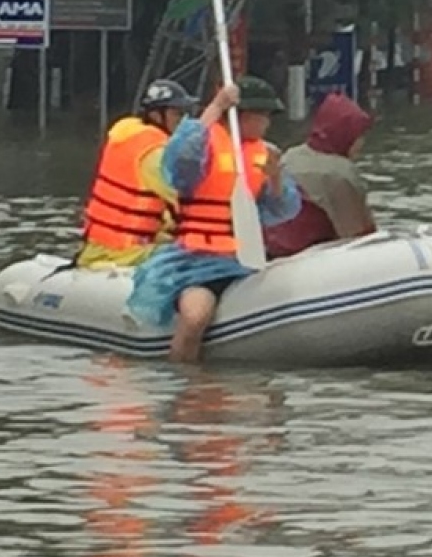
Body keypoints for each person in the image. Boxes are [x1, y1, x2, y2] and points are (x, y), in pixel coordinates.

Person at [126, 76, 302, 363]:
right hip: (196, 262)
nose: (267, 123)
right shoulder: (203, 147)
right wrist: (217, 106)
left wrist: (275, 179)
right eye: (262, 116)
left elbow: (282, 210)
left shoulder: (265, 153)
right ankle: (185, 386)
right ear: (241, 116)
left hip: (245, 262)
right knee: (196, 317)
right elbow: (178, 162)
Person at [75, 79, 195, 269]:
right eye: (177, 114)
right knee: (201, 256)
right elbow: (187, 200)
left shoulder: (127, 134)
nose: (183, 121)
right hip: (127, 253)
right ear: (157, 116)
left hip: (100, 247)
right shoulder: (156, 153)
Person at [263, 91, 376, 259]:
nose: (361, 143)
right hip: (308, 253)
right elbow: (359, 235)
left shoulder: (292, 155)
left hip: (270, 249)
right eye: (358, 137)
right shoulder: (340, 173)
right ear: (346, 136)